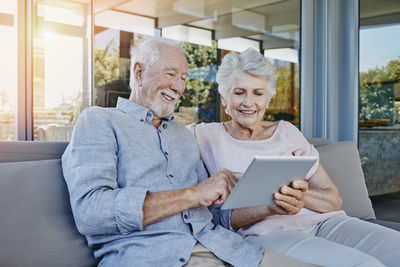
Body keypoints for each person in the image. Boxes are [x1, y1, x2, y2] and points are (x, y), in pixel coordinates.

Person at [61, 38, 317, 267]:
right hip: (154, 255)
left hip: (229, 249)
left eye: (183, 78)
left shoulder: (183, 135)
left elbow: (216, 216)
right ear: (139, 72)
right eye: (171, 74)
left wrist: (273, 206)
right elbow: (91, 212)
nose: (178, 86)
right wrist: (195, 193)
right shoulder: (99, 121)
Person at [189, 48, 400, 267]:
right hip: (267, 234)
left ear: (268, 99)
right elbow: (224, 217)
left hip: (327, 222)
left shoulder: (287, 132)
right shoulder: (203, 136)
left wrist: (297, 197)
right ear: (224, 98)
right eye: (239, 92)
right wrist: (272, 205)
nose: (248, 102)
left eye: (258, 93)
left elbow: (333, 200)